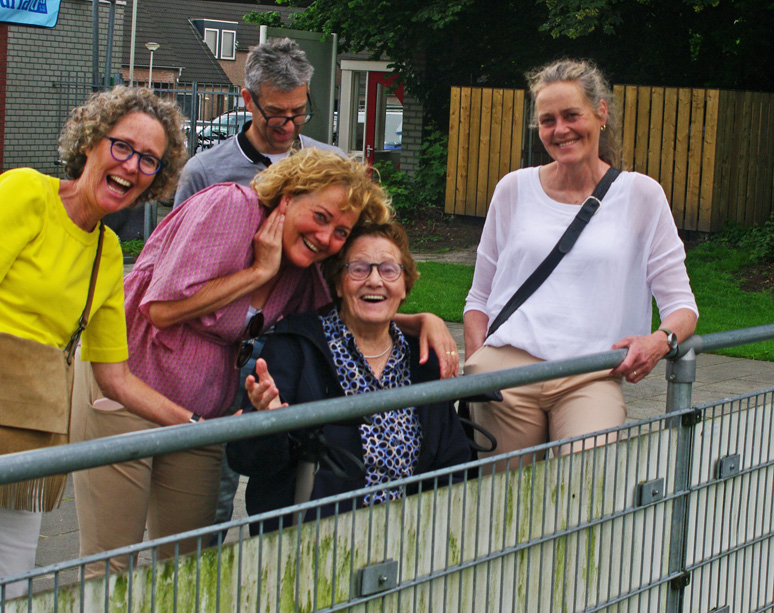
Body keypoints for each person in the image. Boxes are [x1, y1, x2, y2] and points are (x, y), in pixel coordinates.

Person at [0, 87, 199, 613]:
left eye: (150, 159)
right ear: (91, 141)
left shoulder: (106, 255)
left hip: (24, 434)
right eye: (123, 147)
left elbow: (116, 378)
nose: (132, 166)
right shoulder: (25, 192)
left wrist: (195, 424)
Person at [70, 148, 455, 572]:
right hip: (129, 386)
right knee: (109, 566)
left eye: (341, 232)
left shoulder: (303, 264)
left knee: (184, 565)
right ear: (288, 198)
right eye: (321, 217)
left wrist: (422, 320)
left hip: (200, 414)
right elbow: (160, 309)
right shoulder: (232, 207)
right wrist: (257, 272)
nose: (325, 237)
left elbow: (354, 306)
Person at [463, 58, 699, 467]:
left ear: (601, 113)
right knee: (503, 498)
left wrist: (659, 341)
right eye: (548, 120)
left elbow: (682, 305)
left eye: (572, 115)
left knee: (585, 491)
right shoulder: (513, 189)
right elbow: (479, 297)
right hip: (506, 373)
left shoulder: (641, 196)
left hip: (591, 374)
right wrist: (477, 366)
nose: (560, 130)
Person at [229, 222, 474, 532]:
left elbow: (453, 463)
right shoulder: (295, 348)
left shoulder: (422, 360)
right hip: (311, 543)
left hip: (406, 540)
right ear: (338, 283)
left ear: (405, 285)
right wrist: (268, 423)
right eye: (359, 268)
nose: (374, 280)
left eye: (388, 270)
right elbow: (248, 460)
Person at [173, 37, 344, 206]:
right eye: (275, 112)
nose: (289, 126)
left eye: (298, 111)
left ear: (307, 94)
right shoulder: (203, 173)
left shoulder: (334, 164)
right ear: (248, 100)